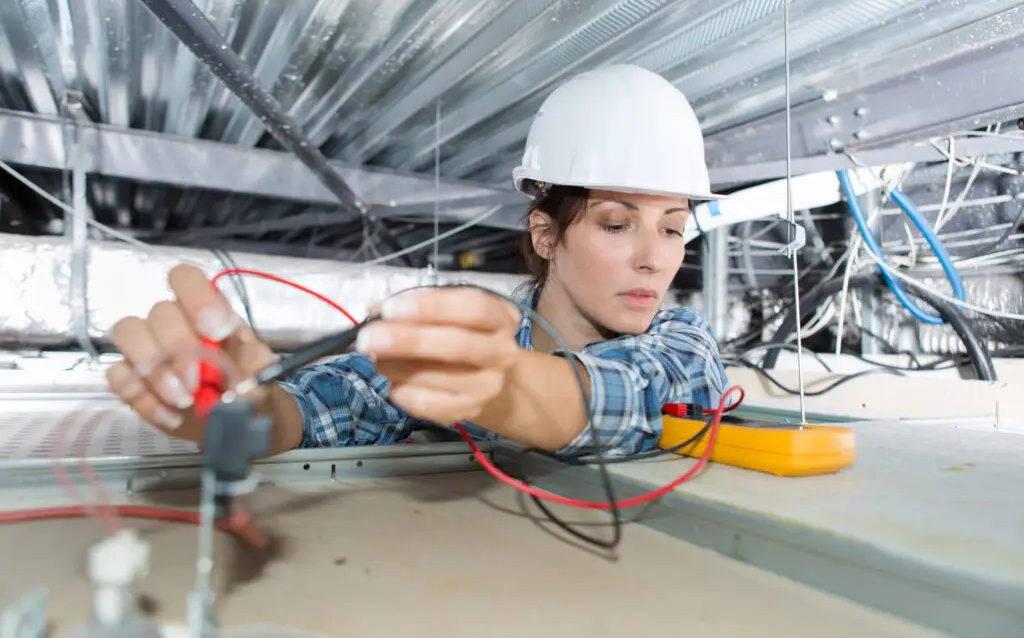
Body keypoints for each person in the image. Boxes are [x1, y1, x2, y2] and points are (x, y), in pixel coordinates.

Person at [105, 64, 729, 458]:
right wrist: (253, 408)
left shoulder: (682, 344)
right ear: (545, 236)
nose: (655, 259)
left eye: (673, 230)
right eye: (618, 224)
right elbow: (343, 399)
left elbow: (634, 391)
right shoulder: (473, 336)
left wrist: (502, 385)